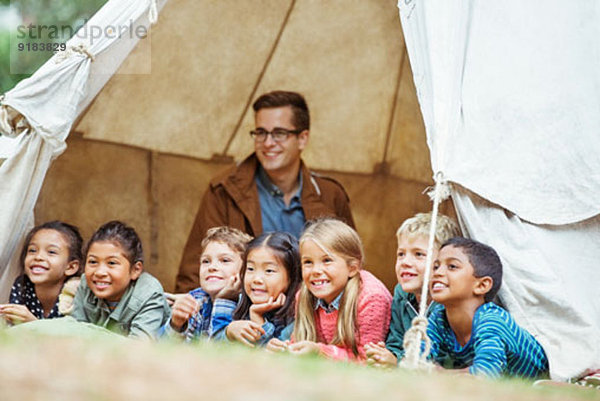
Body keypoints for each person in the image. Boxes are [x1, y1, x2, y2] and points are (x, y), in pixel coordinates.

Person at [176, 90, 355, 293]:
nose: (268, 143)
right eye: (261, 133)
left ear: (302, 138)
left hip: (317, 317)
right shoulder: (224, 191)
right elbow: (193, 274)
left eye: (279, 133)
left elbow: (351, 269)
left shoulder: (331, 195)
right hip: (242, 317)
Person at [267, 218, 392, 362]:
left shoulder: (371, 299)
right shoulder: (305, 295)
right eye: (308, 262)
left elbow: (367, 361)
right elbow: (301, 342)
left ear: (352, 268)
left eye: (327, 260)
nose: (316, 270)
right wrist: (286, 350)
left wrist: (319, 352)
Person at [427, 237, 549, 378]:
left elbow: (486, 373)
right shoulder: (438, 318)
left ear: (481, 285)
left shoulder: (491, 320)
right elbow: (415, 357)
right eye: (436, 266)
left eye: (452, 266)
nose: (437, 273)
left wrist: (441, 374)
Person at [365, 213, 460, 368]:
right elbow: (396, 340)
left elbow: (445, 358)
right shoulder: (402, 295)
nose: (405, 262)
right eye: (401, 254)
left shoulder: (448, 303)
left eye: (418, 254)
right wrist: (385, 355)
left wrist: (398, 362)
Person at [71, 221, 170, 340]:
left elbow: (140, 347)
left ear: (135, 270)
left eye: (112, 263)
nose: (99, 272)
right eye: (93, 262)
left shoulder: (149, 293)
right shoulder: (85, 284)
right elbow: (74, 331)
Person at [161, 226, 252, 341]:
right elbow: (159, 349)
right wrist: (176, 324)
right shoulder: (196, 300)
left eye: (225, 260)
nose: (212, 267)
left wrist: (224, 300)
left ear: (246, 269)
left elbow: (219, 351)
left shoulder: (250, 306)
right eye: (206, 261)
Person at [221, 232, 301, 346]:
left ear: (292, 277)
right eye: (250, 269)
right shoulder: (238, 302)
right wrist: (229, 332)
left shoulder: (297, 316)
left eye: (269, 270)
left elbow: (273, 356)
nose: (257, 279)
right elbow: (209, 348)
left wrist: (257, 317)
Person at [1, 221, 83, 324]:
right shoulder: (22, 285)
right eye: (32, 250)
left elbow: (74, 335)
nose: (38, 257)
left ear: (70, 267)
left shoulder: (76, 292)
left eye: (51, 252)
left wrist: (33, 323)